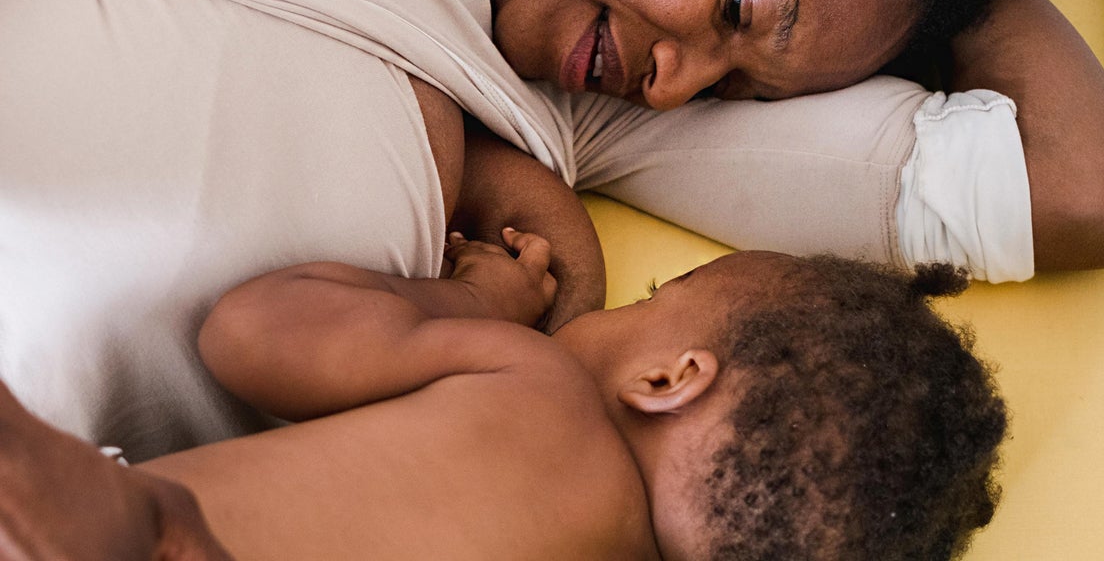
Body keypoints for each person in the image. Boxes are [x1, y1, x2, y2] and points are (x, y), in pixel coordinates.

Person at [1, 0, 1104, 457]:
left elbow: (1091, 192)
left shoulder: (569, 106)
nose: (689, 85)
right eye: (741, 10)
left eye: (745, 87)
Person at [0, 232, 1008, 560]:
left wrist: (471, 296)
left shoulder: (530, 381)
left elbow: (250, 334)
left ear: (669, 378)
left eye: (667, 295)